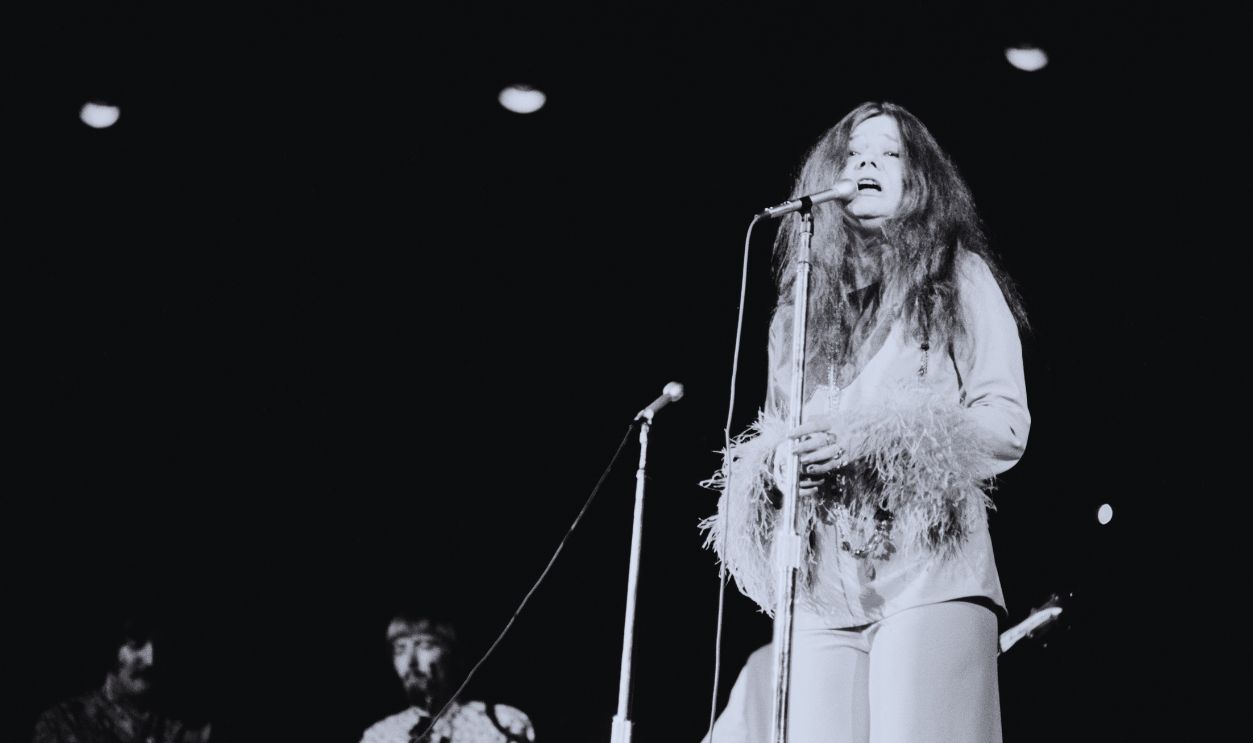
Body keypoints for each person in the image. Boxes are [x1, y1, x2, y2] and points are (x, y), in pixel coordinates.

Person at [701, 101, 1030, 743]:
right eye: (852, 155)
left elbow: (1005, 425)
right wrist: (776, 467)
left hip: (930, 575)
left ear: (920, 180)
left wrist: (881, 440)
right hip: (823, 592)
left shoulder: (956, 276)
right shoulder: (797, 313)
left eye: (889, 153)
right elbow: (775, 429)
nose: (865, 164)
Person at [360, 614, 535, 743]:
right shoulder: (378, 736)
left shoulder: (503, 722)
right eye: (400, 649)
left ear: (451, 654)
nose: (411, 661)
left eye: (425, 645)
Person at [31, 617, 211, 743]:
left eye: (158, 645)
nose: (150, 660)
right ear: (111, 644)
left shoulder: (179, 729)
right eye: (136, 643)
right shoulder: (62, 723)